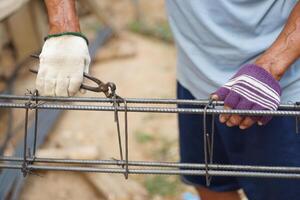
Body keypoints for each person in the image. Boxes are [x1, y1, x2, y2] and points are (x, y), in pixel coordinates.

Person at [39, 0, 300, 199]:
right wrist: (63, 26)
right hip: (194, 80)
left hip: (277, 91)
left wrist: (271, 65)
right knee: (209, 184)